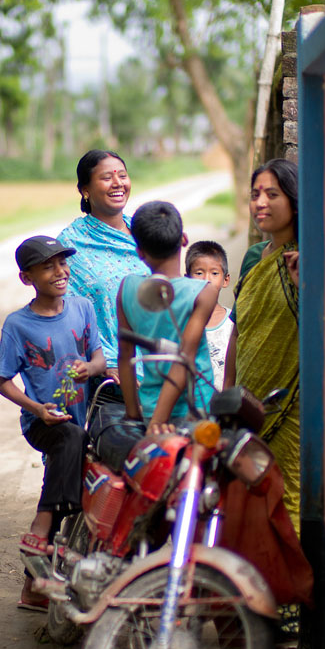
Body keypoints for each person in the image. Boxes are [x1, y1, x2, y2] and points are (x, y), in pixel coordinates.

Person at [0, 235, 106, 611]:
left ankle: (33, 588)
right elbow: (3, 381)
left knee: (70, 464)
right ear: (27, 278)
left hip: (80, 416)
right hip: (43, 421)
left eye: (62, 263)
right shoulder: (18, 325)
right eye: (48, 266)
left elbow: (99, 358)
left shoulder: (82, 308)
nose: (60, 271)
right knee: (69, 443)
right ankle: (43, 527)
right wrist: (37, 409)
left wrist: (88, 369)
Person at [223, 158, 300, 535]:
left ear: (295, 201)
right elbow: (239, 332)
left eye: (272, 193)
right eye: (255, 194)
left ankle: (287, 594)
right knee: (244, 503)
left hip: (291, 407)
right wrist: (227, 398)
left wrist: (307, 284)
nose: (260, 203)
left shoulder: (309, 257)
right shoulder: (255, 257)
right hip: (248, 405)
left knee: (287, 501)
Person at [117, 201, 216, 432]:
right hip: (195, 411)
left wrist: (134, 414)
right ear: (183, 239)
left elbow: (125, 356)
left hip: (151, 407)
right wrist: (157, 423)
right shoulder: (203, 292)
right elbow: (185, 358)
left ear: (139, 252)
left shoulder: (127, 287)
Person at [57, 150, 148, 386]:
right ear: (85, 190)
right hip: (108, 377)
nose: (118, 183)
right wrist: (106, 362)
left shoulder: (145, 232)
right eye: (107, 177)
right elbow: (65, 312)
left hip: (159, 364)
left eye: (123, 175)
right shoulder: (71, 244)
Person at [185, 239, 233, 390]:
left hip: (223, 405)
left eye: (214, 273)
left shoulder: (233, 323)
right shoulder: (181, 320)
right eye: (199, 273)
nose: (206, 279)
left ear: (225, 280)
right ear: (187, 279)